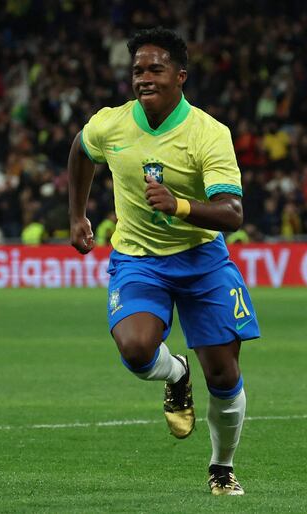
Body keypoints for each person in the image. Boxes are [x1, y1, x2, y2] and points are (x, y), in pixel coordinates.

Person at [67, 27, 259, 496]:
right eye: (138, 70)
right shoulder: (111, 124)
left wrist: (181, 206)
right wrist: (76, 216)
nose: (144, 77)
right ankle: (175, 372)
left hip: (202, 262)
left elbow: (233, 213)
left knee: (224, 374)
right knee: (135, 350)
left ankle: (221, 467)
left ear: (180, 76)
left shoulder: (208, 133)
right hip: (138, 258)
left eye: (156, 69)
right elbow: (80, 150)